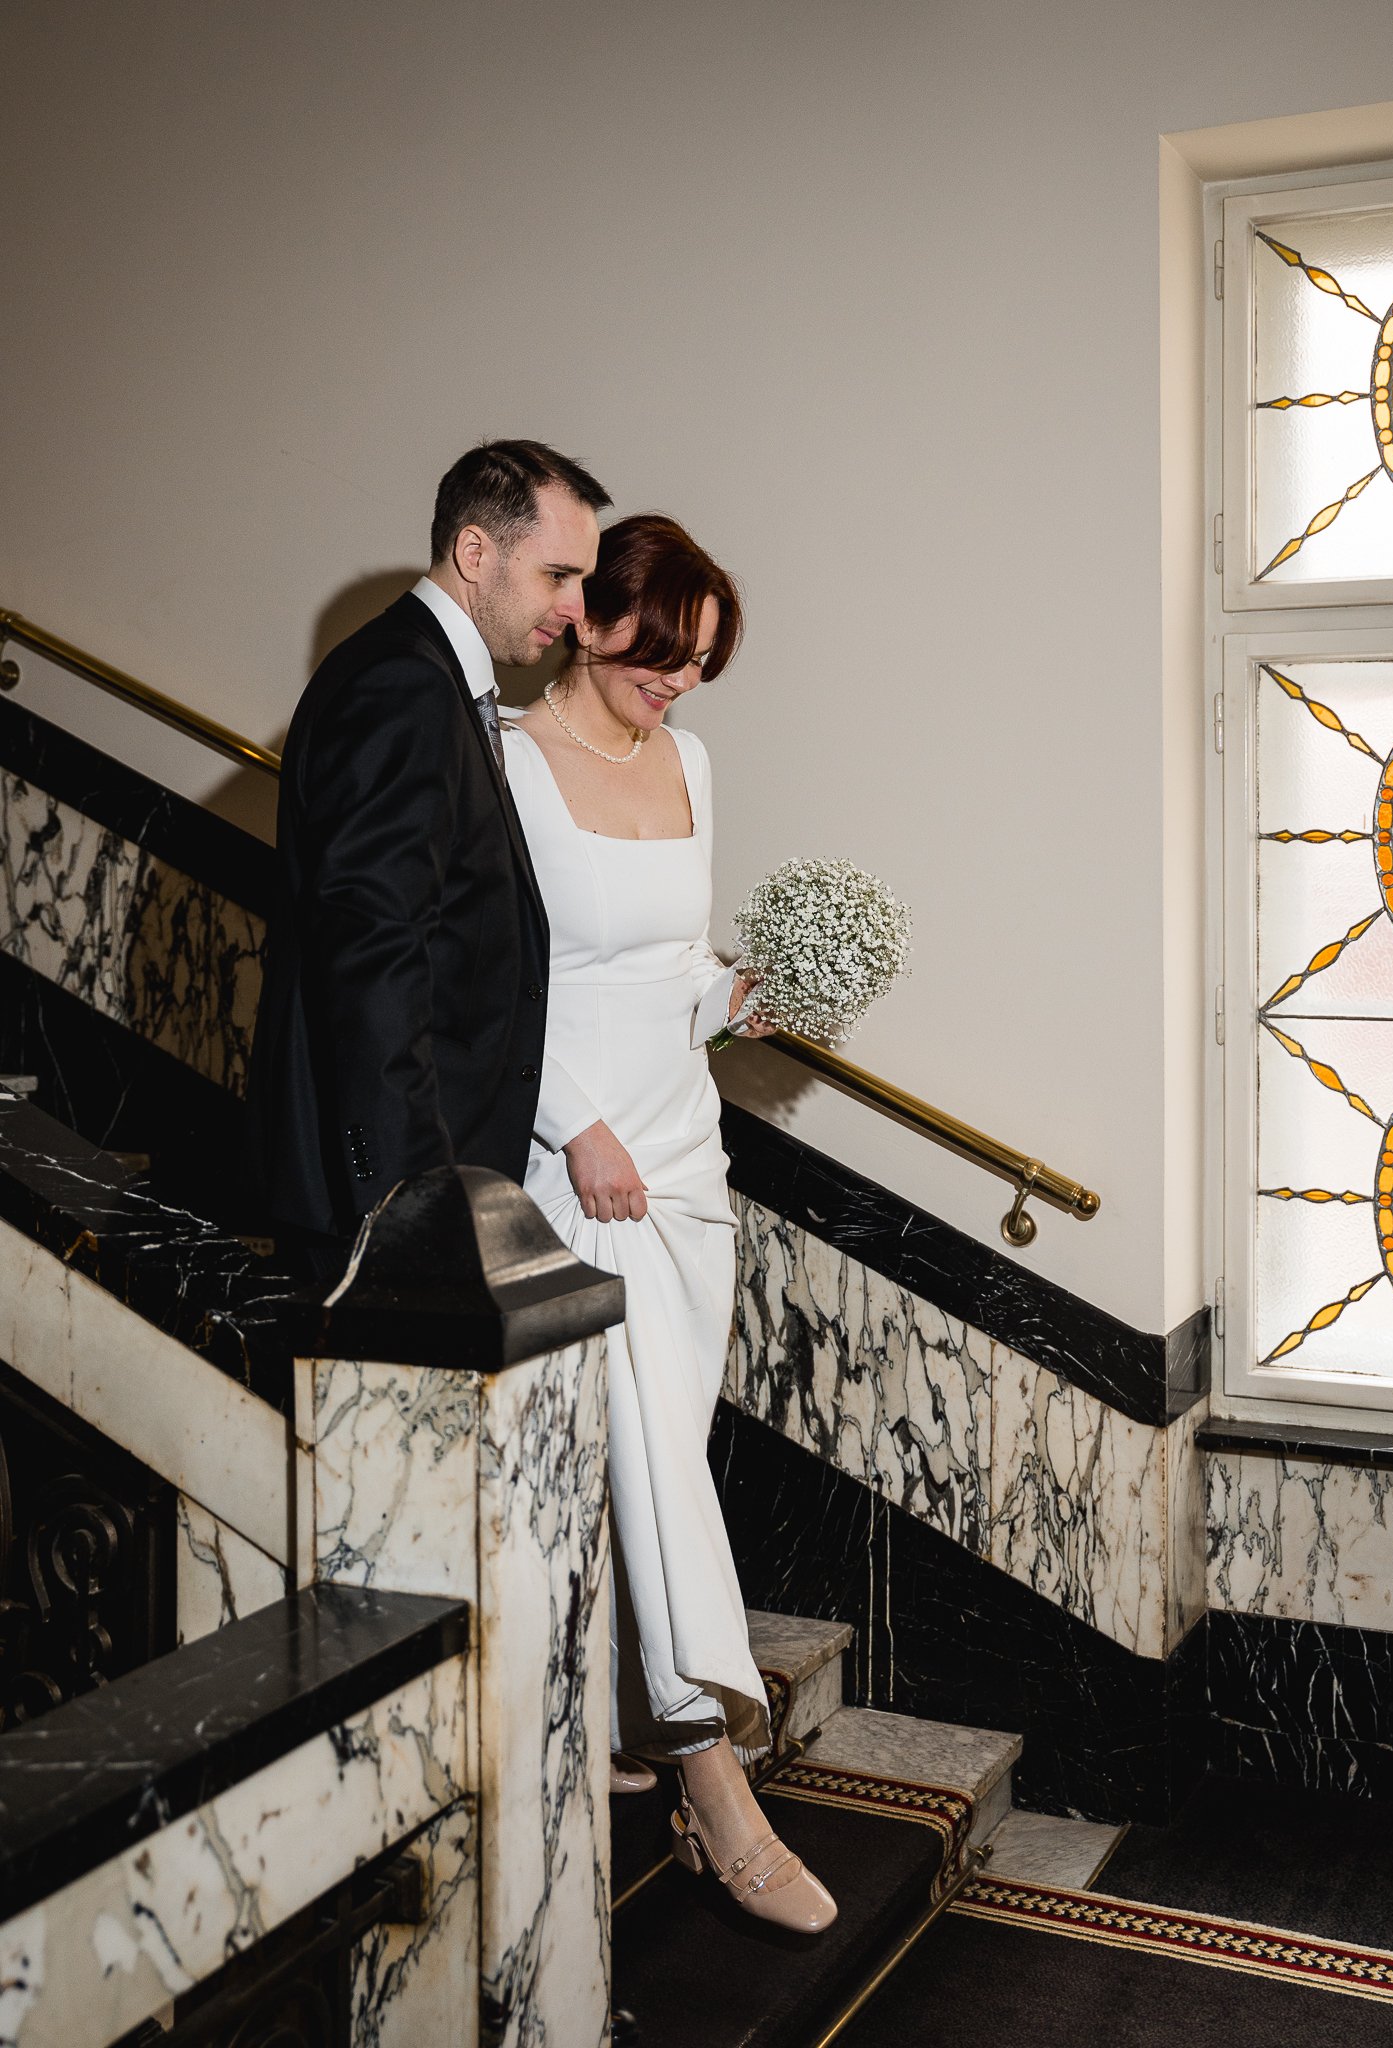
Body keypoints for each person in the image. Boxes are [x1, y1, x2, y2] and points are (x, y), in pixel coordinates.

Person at [504, 513, 837, 1934]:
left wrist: (739, 997)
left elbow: (671, 972)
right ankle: (714, 1779)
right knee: (648, 1465)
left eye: (701, 663)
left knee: (642, 1459)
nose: (679, 682)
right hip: (571, 1162)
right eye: (660, 650)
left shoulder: (692, 761)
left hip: (686, 1164)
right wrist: (571, 1124)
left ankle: (598, 1719)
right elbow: (483, 984)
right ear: (591, 617)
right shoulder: (503, 764)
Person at [247, 440, 608, 1282]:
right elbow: (375, 952)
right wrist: (413, 1205)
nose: (578, 610)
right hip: (382, 1209)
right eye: (559, 575)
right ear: (475, 551)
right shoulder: (405, 687)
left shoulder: (429, 677)